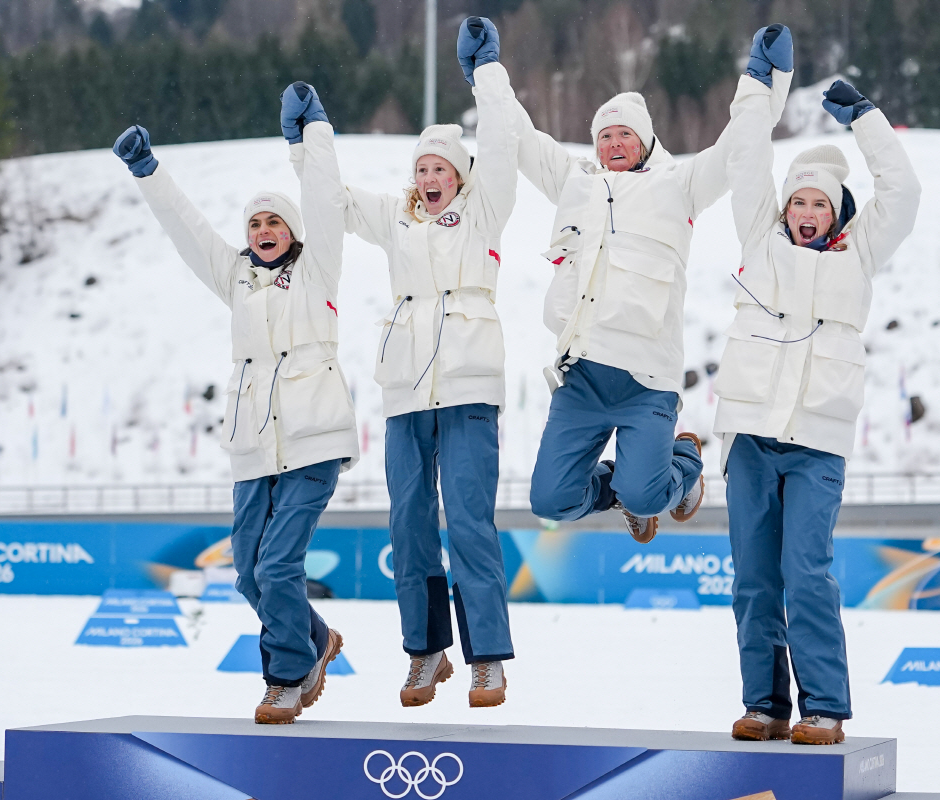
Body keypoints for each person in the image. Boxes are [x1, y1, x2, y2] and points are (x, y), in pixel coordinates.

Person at [112, 82, 356, 724]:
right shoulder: (238, 278)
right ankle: (317, 638)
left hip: (311, 444)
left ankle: (285, 676)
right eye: (255, 223)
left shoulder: (317, 272)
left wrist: (313, 134)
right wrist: (149, 172)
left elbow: (326, 201)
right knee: (249, 573)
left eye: (275, 221)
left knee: (277, 565)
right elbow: (187, 231)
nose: (264, 230)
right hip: (252, 448)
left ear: (295, 232)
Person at [713, 25, 921, 746]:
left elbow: (905, 188)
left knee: (806, 573)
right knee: (752, 582)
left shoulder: (860, 254)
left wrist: (864, 119)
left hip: (815, 442)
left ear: (837, 212)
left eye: (818, 205)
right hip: (749, 437)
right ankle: (765, 704)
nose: (805, 214)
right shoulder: (757, 238)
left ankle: (824, 706)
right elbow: (743, 155)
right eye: (798, 202)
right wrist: (759, 86)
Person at [515, 28, 784, 545]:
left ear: (645, 141)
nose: (614, 144)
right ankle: (628, 487)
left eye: (625, 135)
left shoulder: (678, 186)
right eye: (605, 137)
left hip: (646, 380)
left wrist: (761, 80)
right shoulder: (576, 184)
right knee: (552, 500)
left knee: (646, 495)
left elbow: (738, 147)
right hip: (583, 378)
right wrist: (486, 73)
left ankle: (681, 466)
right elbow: (522, 139)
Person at [317, 17, 517, 708]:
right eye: (421, 169)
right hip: (405, 391)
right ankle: (426, 651)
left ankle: (486, 655)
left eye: (440, 170)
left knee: (467, 519)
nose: (429, 178)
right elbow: (334, 203)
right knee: (407, 522)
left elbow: (501, 143)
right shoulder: (398, 219)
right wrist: (309, 139)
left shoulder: (484, 211)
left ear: (459, 178)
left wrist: (484, 73)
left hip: (466, 386)